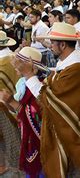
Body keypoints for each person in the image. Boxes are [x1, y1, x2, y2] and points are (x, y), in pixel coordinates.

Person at [17, 22, 80, 177]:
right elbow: (53, 84)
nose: (50, 46)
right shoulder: (68, 64)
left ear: (63, 45)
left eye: (52, 42)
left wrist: (29, 76)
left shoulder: (77, 69)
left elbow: (51, 99)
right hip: (73, 129)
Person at [0, 47, 44, 177]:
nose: (15, 68)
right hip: (28, 137)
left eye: (19, 64)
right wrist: (9, 101)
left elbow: (32, 116)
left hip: (38, 142)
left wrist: (11, 101)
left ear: (31, 68)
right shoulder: (22, 83)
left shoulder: (38, 87)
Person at [0, 31, 21, 175]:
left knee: (10, 141)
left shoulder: (1, 65)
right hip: (21, 104)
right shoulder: (16, 57)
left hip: (5, 107)